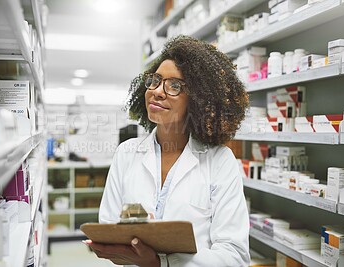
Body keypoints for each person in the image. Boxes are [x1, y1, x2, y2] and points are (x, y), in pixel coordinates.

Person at [84, 35, 250, 267]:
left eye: (174, 86)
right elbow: (109, 226)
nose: (157, 91)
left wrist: (161, 262)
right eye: (155, 80)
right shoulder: (127, 153)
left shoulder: (220, 160)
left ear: (199, 100)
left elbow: (234, 257)